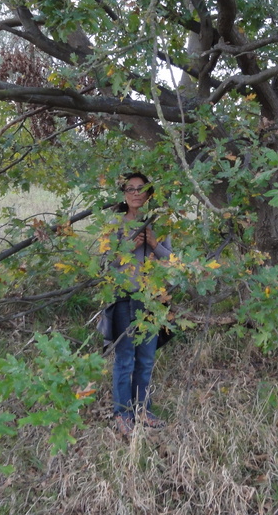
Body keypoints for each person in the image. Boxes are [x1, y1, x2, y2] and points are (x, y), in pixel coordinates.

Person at [106, 172, 172, 437]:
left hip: (152, 301)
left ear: (148, 194)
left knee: (145, 360)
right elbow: (104, 263)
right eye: (130, 189)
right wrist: (127, 246)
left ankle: (142, 409)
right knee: (125, 360)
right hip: (124, 298)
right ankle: (122, 413)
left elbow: (171, 263)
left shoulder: (159, 224)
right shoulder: (114, 224)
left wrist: (154, 244)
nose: (136, 193)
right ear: (124, 194)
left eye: (141, 189)